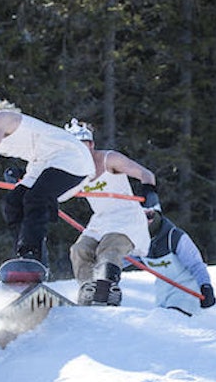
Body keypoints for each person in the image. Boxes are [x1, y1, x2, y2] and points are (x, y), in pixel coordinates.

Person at [0, 77, 93, 278]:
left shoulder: (0, 119)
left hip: (70, 156)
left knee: (35, 198)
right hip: (43, 162)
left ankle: (31, 256)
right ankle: (30, 261)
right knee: (13, 202)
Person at [63, 118, 158, 306]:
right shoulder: (72, 169)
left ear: (91, 144)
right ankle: (88, 289)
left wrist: (150, 196)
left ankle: (106, 288)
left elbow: (146, 174)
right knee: (79, 250)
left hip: (126, 217)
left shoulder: (110, 159)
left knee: (110, 247)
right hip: (100, 221)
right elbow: (54, 190)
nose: (81, 152)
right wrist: (23, 180)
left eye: (84, 145)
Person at [136, 202, 216, 315]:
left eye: (149, 216)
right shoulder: (138, 241)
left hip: (186, 294)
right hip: (163, 297)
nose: (146, 221)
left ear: (157, 214)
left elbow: (196, 265)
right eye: (140, 216)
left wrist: (205, 286)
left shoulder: (174, 237)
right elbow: (121, 260)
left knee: (171, 321)